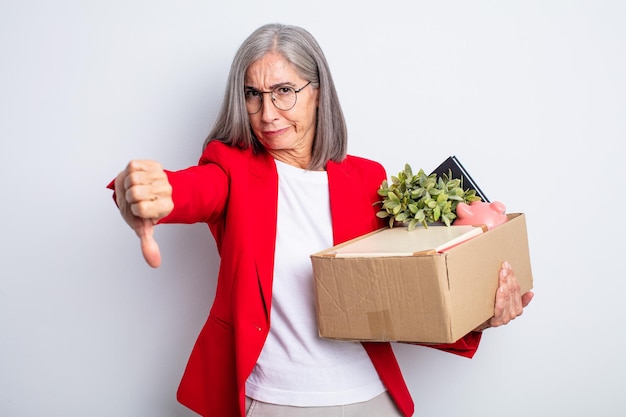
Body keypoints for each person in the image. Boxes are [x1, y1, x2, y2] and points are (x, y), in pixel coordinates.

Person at [109, 23, 534, 417]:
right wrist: (148, 192)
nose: (268, 113)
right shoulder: (232, 170)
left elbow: (404, 295)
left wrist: (482, 311)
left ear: (317, 91)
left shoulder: (370, 180)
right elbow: (191, 190)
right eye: (252, 94)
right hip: (272, 400)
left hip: (371, 396)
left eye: (284, 91)